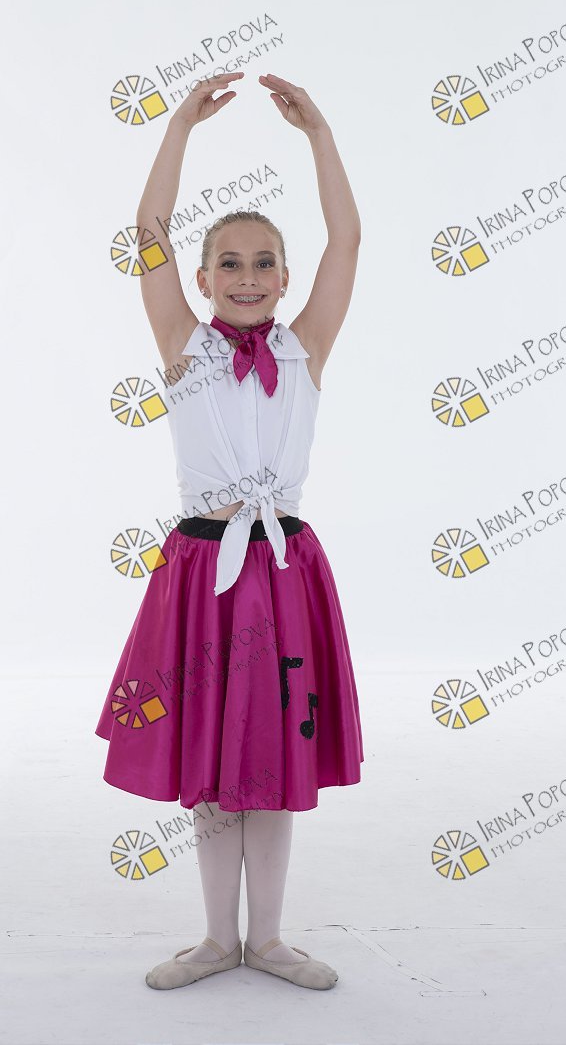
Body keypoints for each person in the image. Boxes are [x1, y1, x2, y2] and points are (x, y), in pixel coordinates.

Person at [95, 70, 364, 991]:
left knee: (275, 757)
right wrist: (179, 126)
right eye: (230, 264)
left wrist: (319, 135)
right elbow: (147, 234)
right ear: (204, 278)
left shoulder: (305, 346)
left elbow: (348, 240)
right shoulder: (185, 347)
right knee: (212, 758)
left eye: (264, 264)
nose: (248, 278)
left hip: (284, 570)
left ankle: (272, 939)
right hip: (203, 570)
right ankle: (217, 939)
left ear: (284, 278)